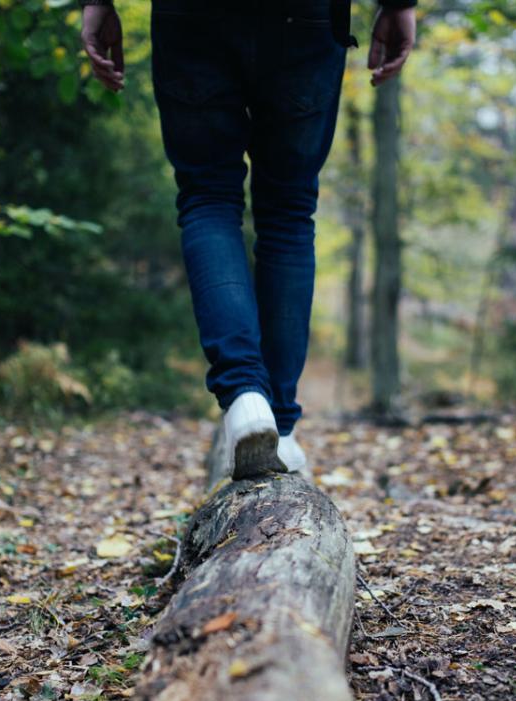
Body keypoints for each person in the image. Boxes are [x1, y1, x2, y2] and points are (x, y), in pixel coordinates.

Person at [80, 0, 415, 483]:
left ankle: (245, 399)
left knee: (208, 198)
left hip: (189, 17)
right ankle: (278, 423)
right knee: (288, 213)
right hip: (306, 17)